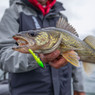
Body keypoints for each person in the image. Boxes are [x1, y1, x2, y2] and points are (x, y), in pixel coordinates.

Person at [0, 0, 85, 95]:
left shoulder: (62, 17)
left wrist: (79, 87)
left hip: (64, 91)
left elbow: (75, 53)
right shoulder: (14, 12)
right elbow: (3, 56)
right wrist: (36, 57)